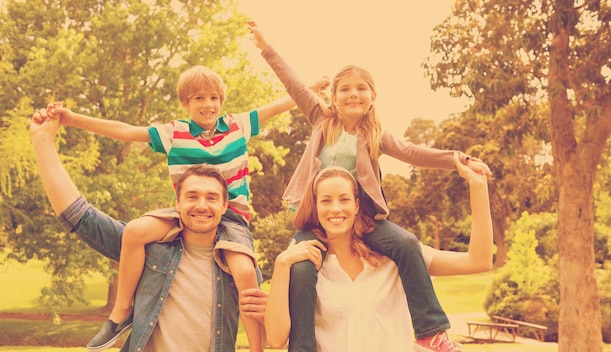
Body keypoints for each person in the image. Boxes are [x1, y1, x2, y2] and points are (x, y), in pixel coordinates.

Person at [247, 21, 493, 352]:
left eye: (361, 88)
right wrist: (265, 47)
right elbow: (292, 83)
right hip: (315, 219)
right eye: (345, 88)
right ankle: (302, 347)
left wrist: (456, 158)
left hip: (361, 217)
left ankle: (430, 330)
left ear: (372, 96)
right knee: (302, 269)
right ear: (332, 96)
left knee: (406, 243)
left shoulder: (374, 135)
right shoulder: (322, 120)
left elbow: (412, 152)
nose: (353, 94)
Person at [45, 66, 328, 351]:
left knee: (245, 272)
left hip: (232, 219)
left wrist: (311, 88)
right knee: (135, 230)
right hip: (186, 215)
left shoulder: (236, 125)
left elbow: (278, 105)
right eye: (199, 98)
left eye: (215, 98)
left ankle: (256, 348)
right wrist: (72, 119)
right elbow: (126, 131)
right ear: (185, 103)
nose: (209, 105)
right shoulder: (173, 133)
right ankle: (120, 312)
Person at [29, 112, 269, 352]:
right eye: (192, 196)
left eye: (212, 198)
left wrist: (271, 310)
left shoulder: (238, 265)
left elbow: (271, 332)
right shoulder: (150, 249)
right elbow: (79, 215)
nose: (202, 205)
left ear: (225, 206)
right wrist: (42, 140)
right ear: (177, 203)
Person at [265, 162, 492, 352]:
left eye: (344, 199)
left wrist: (478, 186)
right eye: (325, 200)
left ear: (356, 206)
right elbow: (276, 340)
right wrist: (282, 264)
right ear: (315, 207)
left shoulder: (398, 257)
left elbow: (478, 261)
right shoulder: (305, 266)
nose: (335, 208)